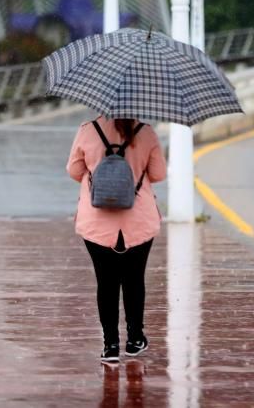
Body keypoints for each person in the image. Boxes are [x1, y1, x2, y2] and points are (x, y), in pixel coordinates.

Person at [66, 116, 167, 364]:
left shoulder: (88, 130)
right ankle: (134, 340)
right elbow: (159, 174)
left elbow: (74, 171)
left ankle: (110, 345)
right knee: (134, 280)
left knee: (106, 282)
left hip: (97, 220)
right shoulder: (146, 133)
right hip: (138, 219)